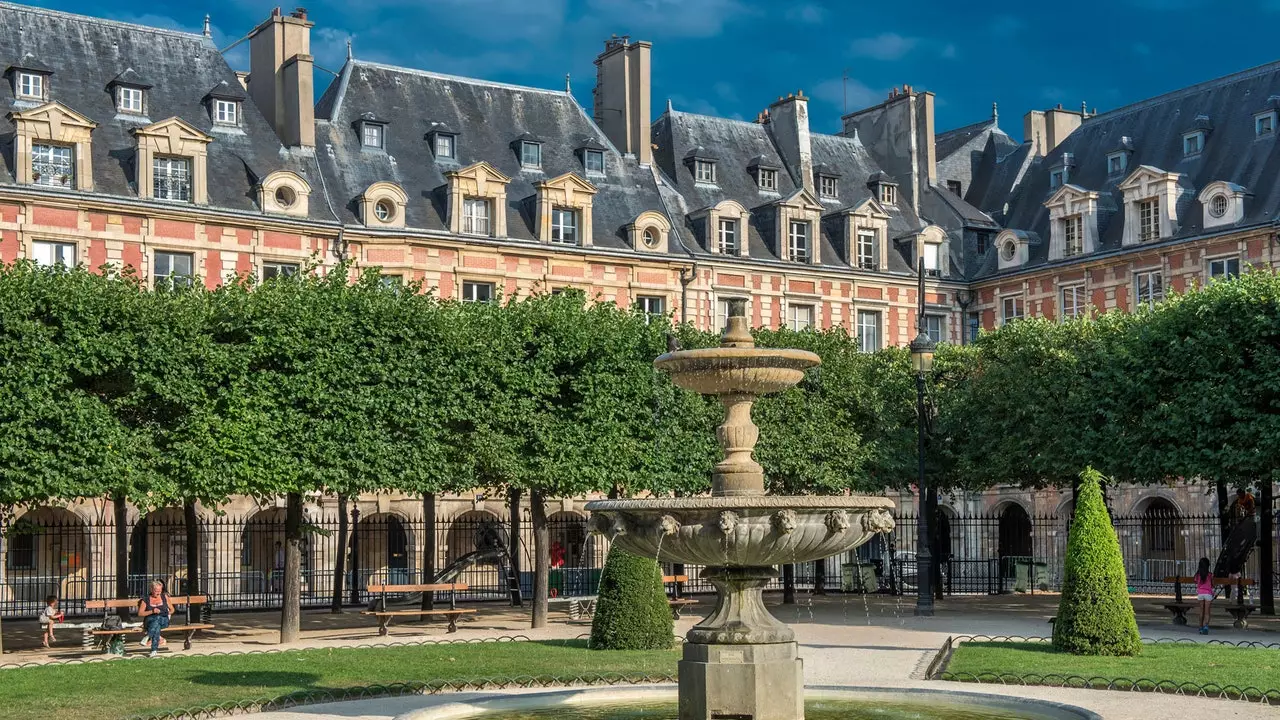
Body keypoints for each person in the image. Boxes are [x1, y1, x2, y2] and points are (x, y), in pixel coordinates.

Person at [138, 580, 174, 657]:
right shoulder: (146, 599)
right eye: (156, 591)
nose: (158, 593)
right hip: (149, 620)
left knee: (157, 620)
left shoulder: (164, 597)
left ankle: (148, 636)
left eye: (160, 591)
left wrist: (166, 613)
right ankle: (153, 650)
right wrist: (152, 611)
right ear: (151, 589)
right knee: (156, 625)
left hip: (163, 620)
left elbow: (172, 610)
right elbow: (140, 613)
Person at [1195, 557, 1215, 635]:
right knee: (1207, 612)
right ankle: (1205, 626)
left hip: (1200, 594)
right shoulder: (1210, 575)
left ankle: (1200, 628)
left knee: (1201, 611)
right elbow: (1212, 585)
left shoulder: (1197, 575)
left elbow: (1196, 582)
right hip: (1208, 594)